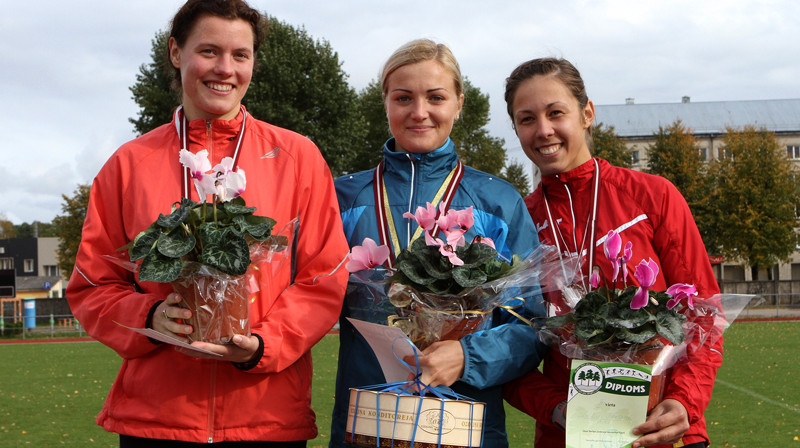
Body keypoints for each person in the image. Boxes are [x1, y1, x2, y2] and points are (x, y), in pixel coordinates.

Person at [65, 1, 349, 446]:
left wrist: (263, 345)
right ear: (176, 53)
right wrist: (151, 316)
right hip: (156, 420)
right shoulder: (127, 165)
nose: (225, 69)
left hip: (267, 418)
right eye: (209, 51)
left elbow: (324, 277)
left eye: (241, 55)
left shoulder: (299, 158)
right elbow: (91, 285)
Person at [331, 39, 545, 448]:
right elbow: (307, 299)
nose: (419, 112)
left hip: (466, 425)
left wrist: (469, 358)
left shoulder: (497, 201)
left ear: (459, 103)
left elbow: (529, 323)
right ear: (386, 103)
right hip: (368, 425)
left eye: (436, 97)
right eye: (403, 98)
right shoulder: (343, 198)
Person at [501, 57, 722, 448]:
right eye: (527, 119)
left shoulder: (652, 196)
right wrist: (555, 408)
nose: (544, 130)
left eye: (556, 113)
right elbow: (503, 347)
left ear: (587, 113)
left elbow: (702, 314)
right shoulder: (519, 221)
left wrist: (683, 402)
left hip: (662, 431)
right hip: (568, 436)